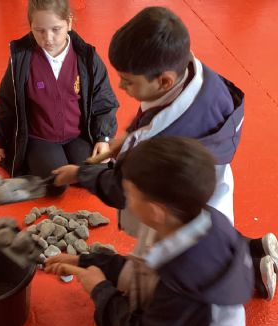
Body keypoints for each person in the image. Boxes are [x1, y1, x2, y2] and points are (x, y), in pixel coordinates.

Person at [51, 6, 278, 299]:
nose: (120, 85)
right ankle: (256, 249)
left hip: (179, 200)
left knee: (195, 264)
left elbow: (122, 187)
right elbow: (151, 117)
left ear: (163, 81)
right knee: (214, 235)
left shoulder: (155, 141)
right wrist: (127, 139)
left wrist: (81, 173)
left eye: (128, 81)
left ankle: (255, 274)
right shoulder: (192, 71)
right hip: (208, 176)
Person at [46, 136, 255, 326]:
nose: (127, 201)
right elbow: (144, 271)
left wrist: (99, 290)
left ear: (156, 211)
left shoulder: (185, 283)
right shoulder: (200, 222)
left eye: (130, 194)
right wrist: (85, 261)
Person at [0, 0, 118, 196]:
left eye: (56, 29)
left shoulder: (86, 57)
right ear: (31, 26)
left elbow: (103, 100)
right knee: (56, 184)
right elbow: (6, 101)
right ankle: (35, 164)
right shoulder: (22, 59)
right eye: (39, 30)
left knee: (96, 172)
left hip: (77, 135)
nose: (48, 38)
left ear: (69, 23)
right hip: (41, 138)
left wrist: (103, 138)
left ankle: (69, 163)